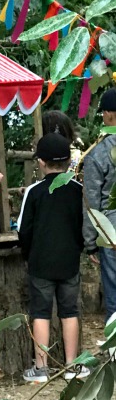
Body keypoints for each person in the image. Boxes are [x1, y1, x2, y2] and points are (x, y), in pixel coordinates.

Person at [17, 133, 87, 382]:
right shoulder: (79, 191)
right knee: (70, 311)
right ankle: (71, 366)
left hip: (40, 263)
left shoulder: (34, 192)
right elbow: (85, 226)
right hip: (69, 261)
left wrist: (29, 254)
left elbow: (23, 230)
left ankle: (41, 368)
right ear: (69, 161)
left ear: (41, 162)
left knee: (41, 312)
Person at [83, 88, 116, 321]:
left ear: (108, 114)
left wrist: (90, 243)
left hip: (110, 230)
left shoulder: (99, 153)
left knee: (114, 295)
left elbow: (91, 200)